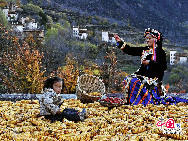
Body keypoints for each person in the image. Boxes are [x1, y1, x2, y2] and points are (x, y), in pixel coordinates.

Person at [114, 28, 188, 106]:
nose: (147, 40)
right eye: (146, 38)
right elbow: (131, 50)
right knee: (128, 79)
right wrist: (120, 42)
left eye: (149, 38)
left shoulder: (160, 52)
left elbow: (163, 67)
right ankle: (132, 102)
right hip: (142, 75)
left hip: (154, 78)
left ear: (155, 39)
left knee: (135, 81)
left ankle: (139, 103)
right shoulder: (144, 50)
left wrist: (150, 63)